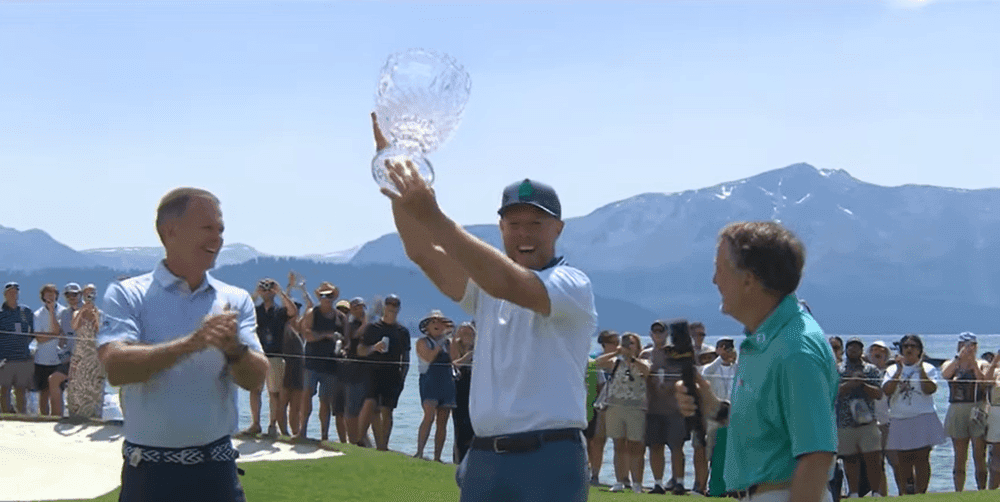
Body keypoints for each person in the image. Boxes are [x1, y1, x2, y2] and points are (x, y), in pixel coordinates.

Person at [372, 113, 597, 501]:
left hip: (550, 456)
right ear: (500, 229)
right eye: (513, 224)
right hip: (484, 455)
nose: (524, 233)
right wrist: (396, 185)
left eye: (535, 224)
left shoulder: (572, 285)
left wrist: (435, 217)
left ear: (558, 229)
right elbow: (422, 251)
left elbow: (510, 282)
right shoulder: (487, 288)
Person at [96, 187, 268, 502]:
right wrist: (191, 344)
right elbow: (116, 367)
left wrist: (234, 349)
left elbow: (256, 378)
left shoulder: (235, 299)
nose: (217, 238)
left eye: (220, 230)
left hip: (217, 473)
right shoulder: (127, 294)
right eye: (207, 228)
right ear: (170, 231)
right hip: (148, 475)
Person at [676, 221, 838, 502]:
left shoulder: (796, 350)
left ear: (749, 280)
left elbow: (816, 457)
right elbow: (772, 431)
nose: (714, 280)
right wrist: (713, 408)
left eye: (720, 268)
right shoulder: (765, 340)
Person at [881, 334, 945, 495]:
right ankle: (905, 492)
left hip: (923, 417)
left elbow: (929, 389)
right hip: (899, 418)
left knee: (922, 458)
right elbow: (887, 391)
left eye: (913, 346)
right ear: (901, 350)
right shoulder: (891, 369)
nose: (909, 349)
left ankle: (921, 492)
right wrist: (899, 371)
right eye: (906, 346)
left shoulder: (929, 368)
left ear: (920, 350)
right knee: (902, 459)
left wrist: (921, 367)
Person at [640, 322, 691, 495]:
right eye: (655, 331)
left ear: (667, 333)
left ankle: (679, 482)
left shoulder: (675, 353)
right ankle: (658, 483)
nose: (658, 334)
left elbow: (685, 376)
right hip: (652, 409)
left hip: (674, 409)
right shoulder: (645, 354)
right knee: (655, 447)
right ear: (650, 334)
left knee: (677, 447)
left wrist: (670, 386)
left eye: (661, 331)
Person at [596, 332, 649, 494]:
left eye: (631, 343)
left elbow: (646, 371)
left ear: (638, 346)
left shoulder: (643, 361)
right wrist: (617, 352)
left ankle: (637, 483)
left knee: (636, 446)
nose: (628, 346)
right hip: (614, 407)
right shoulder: (615, 362)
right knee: (618, 444)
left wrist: (631, 358)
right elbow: (598, 363)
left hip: (635, 408)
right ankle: (619, 480)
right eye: (625, 343)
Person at [245, 277, 298, 437]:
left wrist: (280, 292)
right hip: (257, 355)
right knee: (255, 390)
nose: (267, 290)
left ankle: (272, 425)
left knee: (274, 392)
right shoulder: (256, 311)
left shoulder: (279, 311)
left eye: (269, 288)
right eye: (264, 287)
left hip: (275, 355)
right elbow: (241, 310)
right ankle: (255, 424)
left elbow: (293, 311)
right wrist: (256, 293)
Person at [358, 295, 411, 451]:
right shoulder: (372, 328)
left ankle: (383, 445)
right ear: (384, 307)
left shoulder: (402, 331)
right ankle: (362, 439)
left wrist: (403, 377)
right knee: (372, 406)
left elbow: (406, 357)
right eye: (389, 306)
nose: (392, 310)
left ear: (399, 309)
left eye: (395, 307)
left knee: (387, 410)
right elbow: (360, 350)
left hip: (393, 374)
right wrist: (373, 348)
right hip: (373, 372)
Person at [940, 331, 990, 491]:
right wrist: (959, 358)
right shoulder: (951, 363)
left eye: (971, 345)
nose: (968, 348)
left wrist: (973, 363)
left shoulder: (982, 363)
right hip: (957, 409)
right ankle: (958, 491)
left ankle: (982, 490)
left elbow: (984, 383)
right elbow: (946, 374)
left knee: (979, 455)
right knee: (959, 456)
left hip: (977, 409)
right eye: (964, 345)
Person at [835, 337, 884, 497]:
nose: (853, 350)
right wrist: (850, 383)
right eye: (850, 348)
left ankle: (876, 492)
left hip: (867, 422)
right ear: (845, 350)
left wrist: (862, 383)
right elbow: (833, 393)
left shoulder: (871, 370)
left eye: (857, 348)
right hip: (845, 422)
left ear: (862, 351)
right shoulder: (838, 370)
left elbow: (878, 393)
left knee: (873, 458)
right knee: (850, 459)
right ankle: (853, 493)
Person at [298, 281, 346, 442]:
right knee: (306, 396)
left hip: (331, 365)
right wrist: (326, 335)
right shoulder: (313, 313)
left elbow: (347, 340)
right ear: (319, 297)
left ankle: (324, 435)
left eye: (330, 295)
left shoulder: (341, 317)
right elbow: (307, 335)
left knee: (325, 401)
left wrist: (342, 345)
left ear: (334, 297)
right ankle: (302, 431)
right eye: (324, 295)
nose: (327, 298)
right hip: (312, 362)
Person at [414, 310, 457, 462]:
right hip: (429, 381)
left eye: (440, 322)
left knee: (443, 421)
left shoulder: (448, 343)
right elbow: (429, 357)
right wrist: (439, 344)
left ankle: (437, 457)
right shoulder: (422, 342)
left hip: (446, 381)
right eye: (433, 322)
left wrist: (449, 338)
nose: (437, 325)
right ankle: (419, 452)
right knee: (429, 416)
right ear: (427, 327)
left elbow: (454, 359)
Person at [66, 284, 105, 419]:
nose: (89, 296)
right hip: (81, 351)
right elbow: (74, 326)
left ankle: (94, 413)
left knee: (93, 383)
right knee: (77, 382)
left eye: (92, 293)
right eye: (87, 293)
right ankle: (76, 413)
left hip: (94, 352)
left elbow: (100, 331)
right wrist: (83, 311)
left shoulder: (99, 313)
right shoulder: (77, 312)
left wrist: (94, 316)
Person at [587, 330, 619, 486]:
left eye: (618, 342)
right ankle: (592, 473)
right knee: (595, 441)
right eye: (613, 342)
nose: (616, 346)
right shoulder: (594, 357)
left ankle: (618, 478)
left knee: (617, 443)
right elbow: (595, 365)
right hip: (598, 406)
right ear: (604, 343)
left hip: (618, 405)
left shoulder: (622, 360)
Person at [701, 337, 737, 464]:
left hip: (734, 413)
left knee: (734, 449)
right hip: (715, 414)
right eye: (722, 347)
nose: (725, 351)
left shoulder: (736, 368)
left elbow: (745, 373)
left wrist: (733, 359)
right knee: (712, 449)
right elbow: (706, 373)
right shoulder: (710, 368)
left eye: (727, 348)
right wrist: (720, 357)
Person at [49, 282, 84, 417]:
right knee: (53, 379)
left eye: (74, 294)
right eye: (68, 295)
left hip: (85, 360)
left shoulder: (89, 311)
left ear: (80, 295)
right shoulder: (64, 314)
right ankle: (57, 416)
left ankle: (77, 416)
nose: (71, 297)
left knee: (76, 387)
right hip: (69, 358)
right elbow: (62, 335)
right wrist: (61, 351)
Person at [1, 282, 34, 414]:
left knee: (21, 390)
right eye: (10, 292)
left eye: (15, 291)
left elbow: (33, 333)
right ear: (5, 294)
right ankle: (5, 416)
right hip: (5, 359)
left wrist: (24, 344)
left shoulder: (26, 311)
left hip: (23, 357)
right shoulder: (0, 313)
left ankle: (22, 416)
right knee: (4, 389)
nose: (13, 294)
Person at [33, 283, 66, 416]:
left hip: (59, 359)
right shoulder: (37, 314)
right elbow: (39, 338)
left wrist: (52, 313)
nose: (50, 296)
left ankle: (56, 417)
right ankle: (43, 419)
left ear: (57, 295)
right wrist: (54, 335)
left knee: (58, 392)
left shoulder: (64, 312)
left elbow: (62, 334)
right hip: (42, 359)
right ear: (43, 296)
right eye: (47, 294)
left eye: (53, 293)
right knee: (44, 393)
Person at [866, 340, 893, 497]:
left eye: (881, 351)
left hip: (887, 423)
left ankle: (904, 493)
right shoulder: (865, 371)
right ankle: (880, 494)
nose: (877, 352)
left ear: (886, 356)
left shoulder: (890, 372)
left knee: (895, 462)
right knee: (876, 463)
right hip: (868, 423)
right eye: (874, 350)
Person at [450, 321, 476, 464]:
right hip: (459, 389)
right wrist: (468, 355)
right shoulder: (455, 346)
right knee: (460, 426)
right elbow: (455, 363)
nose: (468, 336)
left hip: (475, 392)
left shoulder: (480, 348)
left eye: (470, 333)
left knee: (472, 427)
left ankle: (473, 458)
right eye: (464, 333)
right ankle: (458, 459)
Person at [985, 353, 1000, 489]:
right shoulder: (996, 371)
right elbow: (986, 381)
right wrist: (995, 361)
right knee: (996, 454)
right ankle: (993, 490)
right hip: (997, 412)